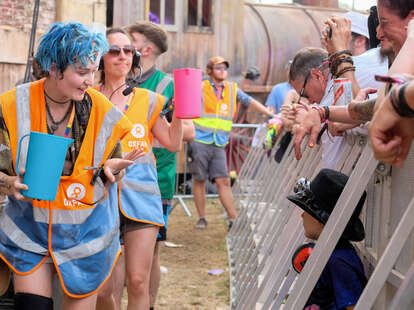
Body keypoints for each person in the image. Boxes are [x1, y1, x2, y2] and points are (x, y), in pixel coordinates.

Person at [0, 22, 142, 310]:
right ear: (54, 67)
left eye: (93, 71)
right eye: (81, 72)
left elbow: (114, 162)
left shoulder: (100, 108)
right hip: (30, 231)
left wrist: (114, 168)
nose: (90, 80)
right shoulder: (13, 104)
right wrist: (6, 183)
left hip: (85, 236)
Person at [96, 28, 183, 310]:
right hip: (98, 200)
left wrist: (180, 113)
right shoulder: (87, 99)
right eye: (114, 50)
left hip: (142, 198)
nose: (122, 55)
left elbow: (172, 142)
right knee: (103, 289)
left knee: (137, 281)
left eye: (127, 50)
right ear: (100, 57)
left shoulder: (148, 99)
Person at [127, 21, 195, 310]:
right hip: (118, 179)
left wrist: (146, 135)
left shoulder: (166, 85)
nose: (125, 47)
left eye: (132, 41)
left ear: (147, 49)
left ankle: (149, 305)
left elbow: (189, 131)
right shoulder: (119, 78)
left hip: (156, 177)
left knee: (150, 251)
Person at [190, 56, 274, 230]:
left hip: (219, 143)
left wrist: (269, 114)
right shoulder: (200, 87)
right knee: (199, 180)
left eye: (225, 68)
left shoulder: (232, 89)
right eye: (219, 67)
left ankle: (233, 219)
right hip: (199, 140)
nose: (223, 71)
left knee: (224, 181)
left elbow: (250, 102)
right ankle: (202, 218)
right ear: (210, 71)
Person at [287, 169, 367, 310]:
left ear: (321, 220)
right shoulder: (332, 253)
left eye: (306, 210)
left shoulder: (338, 260)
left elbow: (354, 306)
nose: (302, 216)